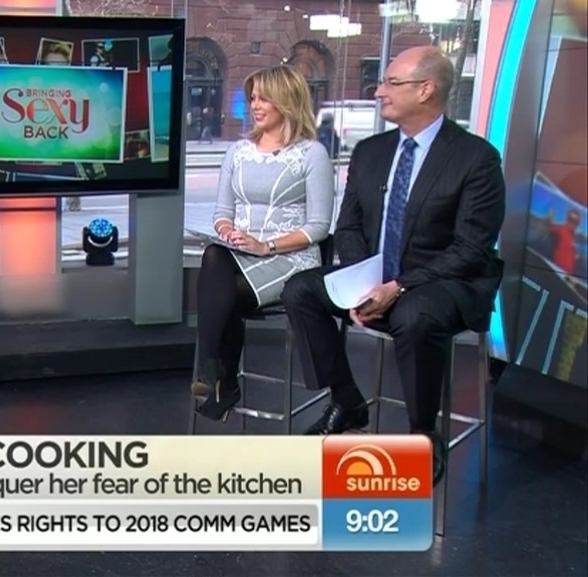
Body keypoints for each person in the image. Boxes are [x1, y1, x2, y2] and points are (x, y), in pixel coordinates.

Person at [280, 47, 506, 485]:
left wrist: (398, 285)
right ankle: (346, 398)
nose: (378, 91)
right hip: (378, 275)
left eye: (391, 82)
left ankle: (423, 433)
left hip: (444, 281)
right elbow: (349, 225)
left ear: (426, 90)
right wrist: (362, 279)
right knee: (301, 289)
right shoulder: (371, 151)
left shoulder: (476, 159)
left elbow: (471, 250)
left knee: (415, 314)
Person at [193, 65, 335, 422]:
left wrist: (266, 246)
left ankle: (218, 376)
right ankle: (214, 369)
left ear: (286, 101)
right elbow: (222, 213)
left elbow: (319, 226)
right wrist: (228, 231)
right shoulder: (238, 151)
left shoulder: (312, 154)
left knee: (223, 292)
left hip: (291, 258)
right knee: (214, 254)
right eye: (253, 98)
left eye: (264, 98)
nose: (255, 105)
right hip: (241, 253)